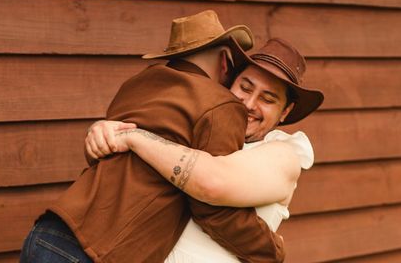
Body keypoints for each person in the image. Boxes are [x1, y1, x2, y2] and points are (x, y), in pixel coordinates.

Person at [19, 10, 285, 262]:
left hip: (49, 230)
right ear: (226, 60)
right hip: (95, 251)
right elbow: (213, 207)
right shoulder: (220, 104)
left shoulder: (137, 85)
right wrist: (271, 250)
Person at [86, 38, 324, 262]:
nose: (250, 104)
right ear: (229, 83)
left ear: (285, 112)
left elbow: (212, 185)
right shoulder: (203, 133)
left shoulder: (284, 154)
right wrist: (103, 133)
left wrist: (133, 137)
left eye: (268, 99)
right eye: (245, 87)